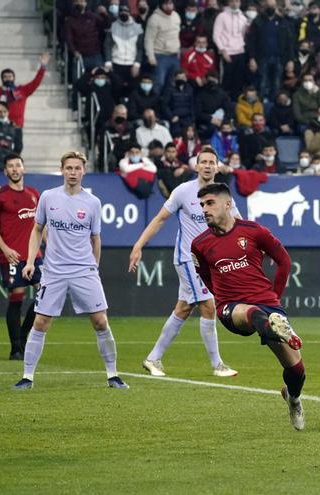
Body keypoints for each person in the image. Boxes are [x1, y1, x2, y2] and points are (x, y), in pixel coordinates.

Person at [190, 182, 306, 430]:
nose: (205, 209)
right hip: (232, 309)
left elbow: (284, 262)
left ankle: (293, 398)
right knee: (253, 313)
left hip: (265, 303)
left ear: (228, 204)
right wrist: (222, 299)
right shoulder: (199, 244)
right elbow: (206, 278)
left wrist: (274, 299)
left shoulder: (253, 231)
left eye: (210, 203)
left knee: (297, 371)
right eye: (202, 205)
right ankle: (277, 325)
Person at [13, 151, 128, 390]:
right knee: (41, 322)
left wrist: (93, 268)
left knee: (100, 321)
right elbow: (36, 230)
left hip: (83, 270)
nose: (73, 172)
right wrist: (31, 261)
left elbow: (96, 239)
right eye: (69, 168)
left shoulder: (92, 203)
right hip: (53, 272)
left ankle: (112, 374)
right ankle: (27, 377)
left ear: (83, 171)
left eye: (77, 168)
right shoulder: (48, 197)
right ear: (62, 170)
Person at [129, 148, 238, 377]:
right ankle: (217, 365)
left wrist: (256, 242)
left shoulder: (223, 195)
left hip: (210, 261)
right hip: (188, 258)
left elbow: (238, 222)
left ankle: (153, 358)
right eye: (203, 162)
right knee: (209, 306)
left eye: (212, 162)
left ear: (217, 167)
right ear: (196, 166)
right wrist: (138, 245)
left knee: (184, 308)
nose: (208, 166)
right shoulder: (183, 191)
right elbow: (159, 220)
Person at [0, 153, 42, 360]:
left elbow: (40, 227)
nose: (15, 169)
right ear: (5, 171)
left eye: (18, 165)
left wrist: (50, 246)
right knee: (16, 298)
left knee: (44, 295)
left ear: (23, 168)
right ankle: (16, 348)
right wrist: (5, 249)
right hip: (11, 256)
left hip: (34, 255)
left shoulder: (34, 194)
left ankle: (22, 335)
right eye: (10, 166)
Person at [0, 51, 49, 129]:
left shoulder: (22, 91)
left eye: (10, 76)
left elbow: (36, 82)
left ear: (14, 78)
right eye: (5, 77)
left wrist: (43, 66)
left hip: (16, 127)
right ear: (2, 79)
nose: (8, 78)